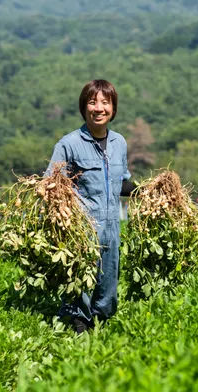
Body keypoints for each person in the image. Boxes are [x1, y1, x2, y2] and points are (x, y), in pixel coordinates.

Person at [45, 79, 134, 334]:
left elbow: (122, 181)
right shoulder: (69, 144)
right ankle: (78, 323)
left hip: (112, 225)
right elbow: (50, 184)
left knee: (108, 277)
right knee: (80, 279)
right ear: (84, 108)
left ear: (113, 109)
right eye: (92, 102)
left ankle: (102, 320)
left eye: (105, 103)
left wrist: (145, 191)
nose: (99, 108)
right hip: (82, 226)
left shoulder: (119, 143)